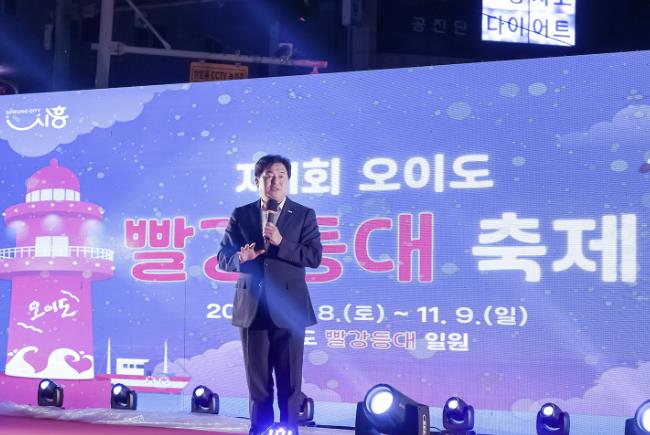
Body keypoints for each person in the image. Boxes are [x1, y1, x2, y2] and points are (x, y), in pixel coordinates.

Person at [217, 154, 322, 435]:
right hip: (252, 308)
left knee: (290, 381)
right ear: (257, 180)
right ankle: (259, 430)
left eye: (280, 176)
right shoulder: (242, 214)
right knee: (258, 382)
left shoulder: (303, 214)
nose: (275, 181)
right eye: (268, 176)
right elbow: (222, 258)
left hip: (289, 308)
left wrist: (281, 242)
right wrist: (241, 258)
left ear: (288, 180)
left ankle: (290, 430)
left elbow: (314, 257)